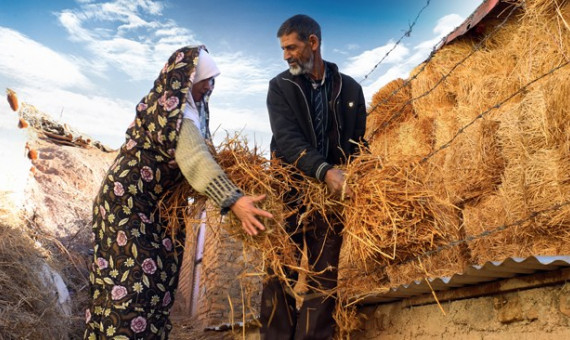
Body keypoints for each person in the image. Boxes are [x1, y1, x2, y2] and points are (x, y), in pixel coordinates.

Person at [84, 45, 273, 339]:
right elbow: (196, 158)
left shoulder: (188, 110)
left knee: (153, 285)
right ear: (186, 77)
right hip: (128, 208)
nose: (210, 86)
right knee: (133, 290)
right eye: (206, 79)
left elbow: (201, 154)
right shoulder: (175, 110)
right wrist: (233, 199)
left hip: (151, 210)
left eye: (213, 80)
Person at [260, 14, 367, 340]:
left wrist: (361, 174)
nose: (286, 55)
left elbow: (358, 143)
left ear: (313, 43)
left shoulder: (350, 88)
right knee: (279, 275)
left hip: (330, 200)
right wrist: (325, 171)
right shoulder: (281, 87)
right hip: (288, 194)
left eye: (291, 47)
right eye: (283, 49)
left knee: (324, 280)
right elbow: (288, 140)